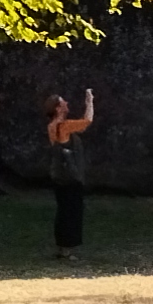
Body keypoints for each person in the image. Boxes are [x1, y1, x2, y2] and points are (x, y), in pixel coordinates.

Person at [45, 86, 96, 258]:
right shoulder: (64, 127)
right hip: (70, 178)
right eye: (63, 102)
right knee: (72, 212)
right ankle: (68, 249)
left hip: (58, 177)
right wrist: (89, 101)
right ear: (58, 108)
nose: (67, 103)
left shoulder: (51, 126)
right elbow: (87, 121)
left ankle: (61, 247)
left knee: (62, 211)